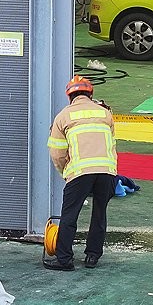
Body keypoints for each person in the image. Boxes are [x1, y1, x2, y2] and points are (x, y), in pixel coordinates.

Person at [44, 75, 117, 271]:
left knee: (70, 215)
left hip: (80, 172)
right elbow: (111, 143)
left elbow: (57, 152)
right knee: (99, 213)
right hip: (107, 171)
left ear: (70, 96)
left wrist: (65, 173)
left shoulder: (64, 116)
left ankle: (64, 259)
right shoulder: (105, 113)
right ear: (90, 93)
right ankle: (93, 256)